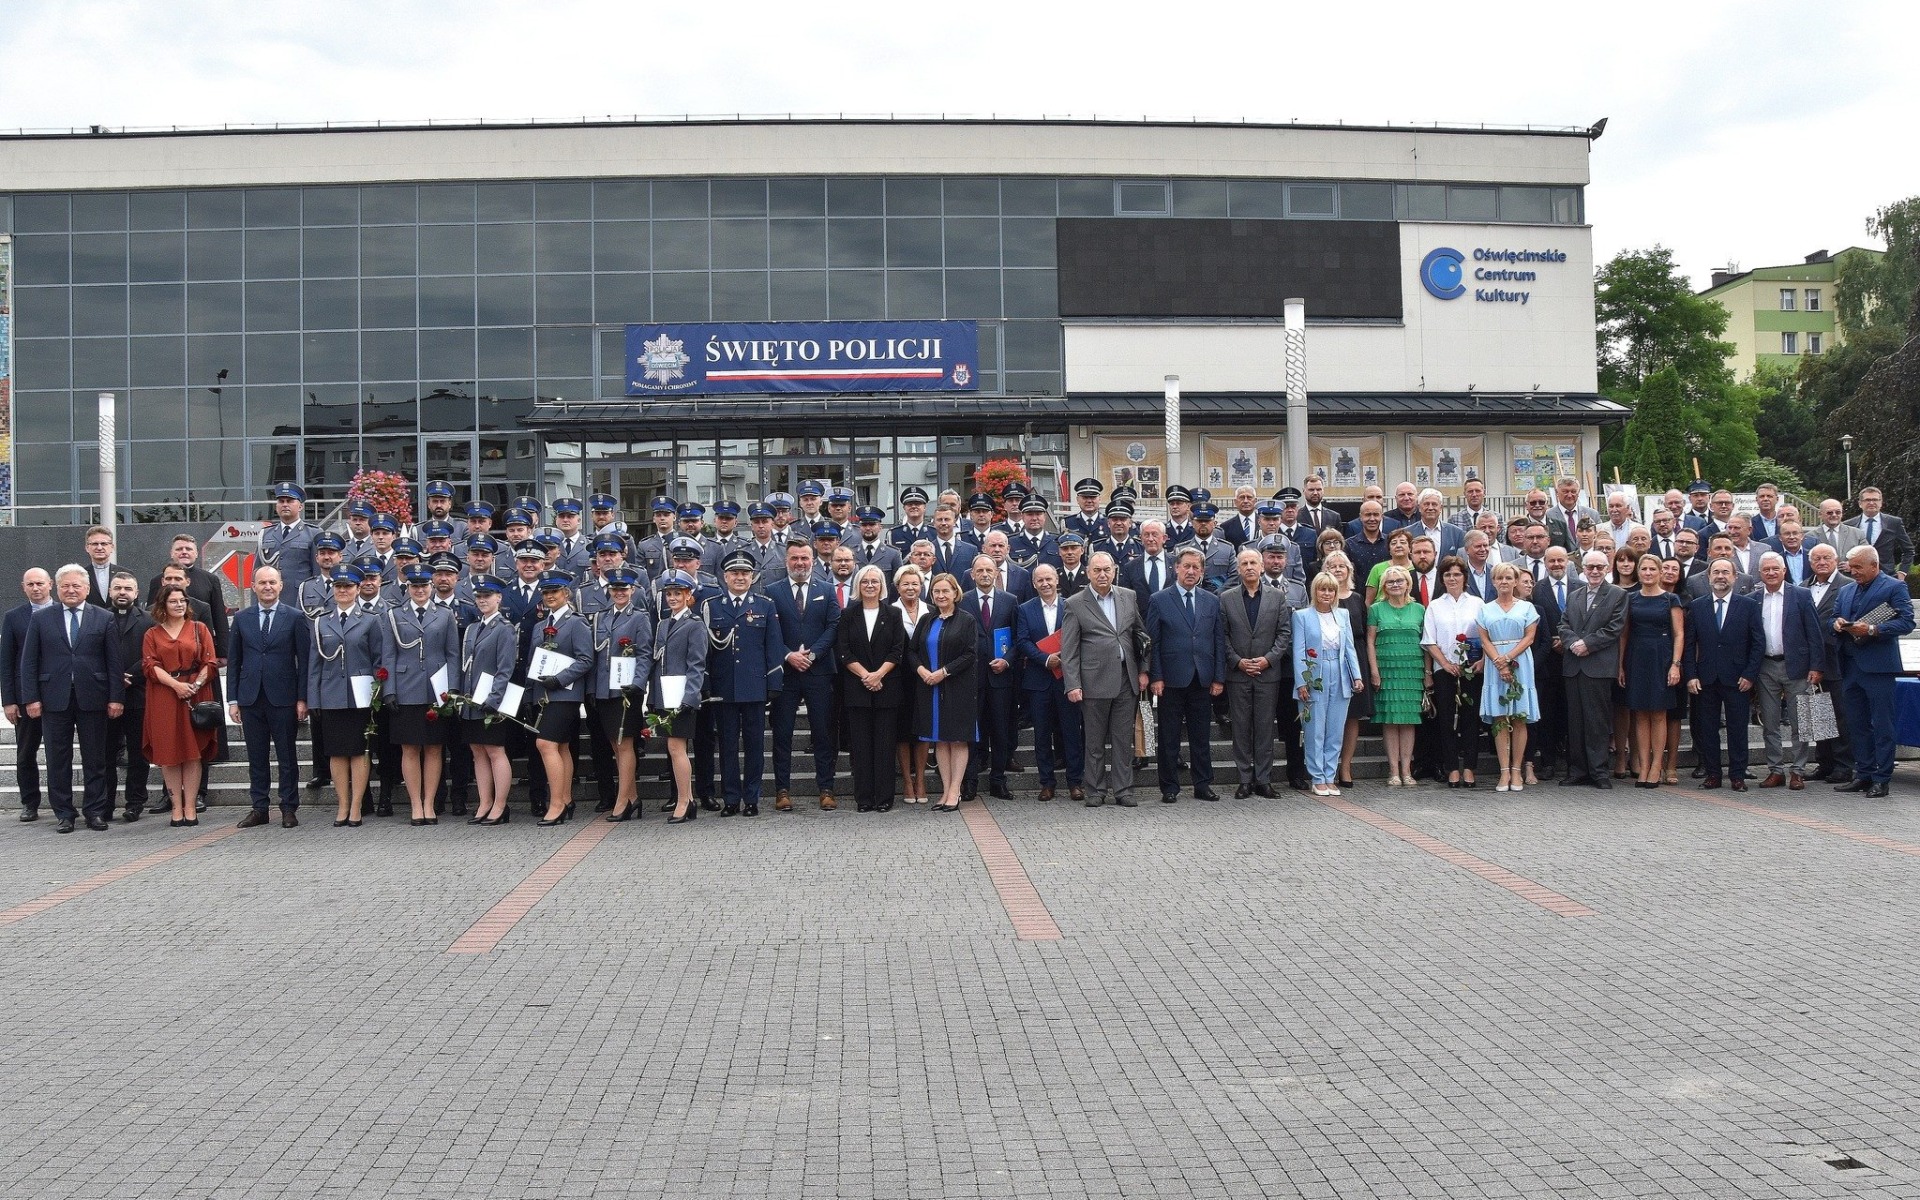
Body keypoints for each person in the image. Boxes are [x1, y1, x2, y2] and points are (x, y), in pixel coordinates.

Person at [21, 565, 126, 832]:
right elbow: (29, 661)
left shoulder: (103, 618)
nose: (71, 590)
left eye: (76, 586)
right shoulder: (42, 618)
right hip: (53, 699)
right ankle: (64, 813)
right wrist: (31, 698)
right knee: (57, 759)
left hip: (94, 698)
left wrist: (116, 697)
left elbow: (114, 661)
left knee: (96, 758)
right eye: (65, 586)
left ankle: (95, 811)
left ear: (87, 589)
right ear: (57, 588)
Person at [1061, 551, 1149, 808]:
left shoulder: (1128, 597)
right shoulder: (1075, 603)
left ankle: (1124, 790)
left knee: (1123, 739)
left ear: (1114, 571)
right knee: (1095, 740)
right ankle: (1095, 790)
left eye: (1106, 570)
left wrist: (1143, 670)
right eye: (1097, 570)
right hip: (1093, 681)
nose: (1102, 575)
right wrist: (1073, 684)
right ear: (1088, 572)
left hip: (1126, 678)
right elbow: (1069, 649)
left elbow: (1141, 636)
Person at [226, 566, 311, 828]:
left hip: (283, 697)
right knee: (256, 756)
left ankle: (288, 807)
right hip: (250, 697)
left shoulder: (295, 617)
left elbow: (304, 661)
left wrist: (302, 698)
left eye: (272, 582)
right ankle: (259, 807)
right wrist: (232, 700)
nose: (267, 587)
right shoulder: (242, 618)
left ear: (281, 585)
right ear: (253, 586)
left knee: (287, 756)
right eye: (262, 583)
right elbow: (234, 660)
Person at [705, 550, 784, 818]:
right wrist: (706, 684)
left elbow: (773, 646)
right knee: (727, 746)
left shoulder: (764, 605)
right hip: (723, 688)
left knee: (754, 746)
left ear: (753, 577)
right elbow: (705, 651)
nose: (740, 577)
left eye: (745, 573)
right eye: (735, 573)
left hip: (754, 687)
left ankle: (751, 798)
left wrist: (774, 680)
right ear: (725, 576)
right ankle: (730, 798)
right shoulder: (712, 606)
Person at [1831, 545, 1915, 797]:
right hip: (1850, 665)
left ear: (1874, 565)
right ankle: (1864, 773)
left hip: (1878, 668)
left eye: (1858, 567)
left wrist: (1872, 630)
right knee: (1857, 724)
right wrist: (1835, 623)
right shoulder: (1846, 589)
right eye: (1851, 566)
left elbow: (1907, 621)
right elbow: (1834, 616)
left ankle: (1882, 777)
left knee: (1882, 724)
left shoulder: (1893, 587)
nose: (1853, 571)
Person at [1146, 547, 1226, 803]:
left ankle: (1203, 784)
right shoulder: (1159, 600)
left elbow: (1218, 641)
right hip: (1170, 679)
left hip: (1202, 678)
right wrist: (1156, 675)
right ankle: (1169, 787)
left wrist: (1218, 678)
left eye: (1196, 567)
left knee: (1200, 736)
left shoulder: (1211, 600)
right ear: (1176, 568)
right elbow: (1153, 642)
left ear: (1202, 572)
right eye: (1186, 566)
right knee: (1168, 737)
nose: (1191, 571)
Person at [768, 541, 840, 812]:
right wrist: (788, 655)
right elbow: (769, 630)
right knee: (782, 733)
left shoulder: (827, 589)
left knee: (822, 732)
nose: (800, 563)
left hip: (819, 671)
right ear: (786, 560)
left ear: (813, 560)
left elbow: (834, 626)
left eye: (805, 558)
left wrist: (812, 655)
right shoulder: (772, 591)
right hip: (785, 673)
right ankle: (782, 791)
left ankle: (826, 789)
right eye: (795, 558)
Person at [308, 567, 383, 825]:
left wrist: (377, 695)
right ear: (332, 589)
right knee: (337, 753)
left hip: (360, 695)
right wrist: (313, 699)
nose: (343, 590)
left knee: (360, 751)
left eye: (348, 586)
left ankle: (357, 806)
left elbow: (378, 661)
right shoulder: (321, 621)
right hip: (331, 695)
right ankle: (342, 805)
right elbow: (314, 664)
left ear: (357, 589)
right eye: (338, 586)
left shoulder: (371, 620)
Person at [1684, 560, 1765, 790]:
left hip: (1738, 678)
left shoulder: (1748, 606)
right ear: (1709, 576)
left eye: (1725, 572)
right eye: (1716, 572)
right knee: (1708, 730)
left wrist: (1750, 674)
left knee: (1738, 729)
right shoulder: (1697, 606)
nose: (1721, 576)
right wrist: (1691, 675)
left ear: (1735, 577)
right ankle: (1713, 775)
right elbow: (1689, 644)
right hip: (1705, 678)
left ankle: (1737, 775)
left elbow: (1758, 643)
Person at [140, 584, 215, 828]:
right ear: (163, 605)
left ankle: (191, 806)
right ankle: (176, 807)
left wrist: (196, 684)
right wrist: (176, 686)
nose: (179, 604)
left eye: (182, 600)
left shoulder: (199, 629)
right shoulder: (152, 634)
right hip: (164, 695)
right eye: (173, 601)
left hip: (195, 692)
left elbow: (210, 661)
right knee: (169, 753)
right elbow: (150, 666)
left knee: (193, 753)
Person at [1748, 551, 1824, 790]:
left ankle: (1798, 771)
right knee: (1769, 722)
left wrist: (1816, 666)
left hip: (1797, 667)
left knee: (1799, 721)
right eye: (1766, 570)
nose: (1771, 573)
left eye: (1775, 569)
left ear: (1784, 571)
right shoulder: (1753, 598)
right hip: (1765, 666)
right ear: (1760, 573)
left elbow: (1814, 633)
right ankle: (1775, 770)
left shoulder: (1801, 595)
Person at [835, 563, 908, 813]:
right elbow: (844, 651)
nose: (869, 585)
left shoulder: (893, 614)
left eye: (874, 581)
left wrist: (879, 674)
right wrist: (866, 675)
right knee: (861, 747)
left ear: (882, 586)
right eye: (865, 581)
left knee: (885, 746)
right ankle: (864, 798)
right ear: (858, 586)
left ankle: (884, 797)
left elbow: (898, 650)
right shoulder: (848, 614)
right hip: (857, 688)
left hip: (887, 688)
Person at [1220, 548, 1291, 798]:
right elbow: (1223, 636)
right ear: (1238, 569)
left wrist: (1268, 660)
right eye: (1244, 563)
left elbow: (1284, 633)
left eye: (1253, 563)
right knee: (1240, 727)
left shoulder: (1277, 597)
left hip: (1267, 673)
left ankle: (1263, 779)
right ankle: (1244, 779)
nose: (1249, 567)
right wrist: (1238, 662)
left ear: (1262, 567)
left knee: (1264, 727)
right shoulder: (1226, 598)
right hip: (1238, 674)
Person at [531, 572, 595, 826]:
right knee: (561, 747)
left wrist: (560, 679)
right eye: (545, 593)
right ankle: (566, 799)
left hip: (565, 694)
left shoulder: (576, 622)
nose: (549, 597)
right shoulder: (539, 625)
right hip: (543, 694)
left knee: (545, 745)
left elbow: (586, 659)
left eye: (554, 592)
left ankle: (556, 803)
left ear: (566, 594)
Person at [1615, 553, 1685, 789]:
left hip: (1661, 656)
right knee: (1640, 714)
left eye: (1652, 569)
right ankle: (1643, 766)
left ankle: (1657, 765)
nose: (1647, 573)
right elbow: (1624, 633)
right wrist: (1621, 665)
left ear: (1659, 572)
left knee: (1658, 713)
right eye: (1643, 569)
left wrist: (1675, 664)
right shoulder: (1631, 599)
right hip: (1636, 656)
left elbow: (1679, 634)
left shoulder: (1670, 599)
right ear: (1638, 572)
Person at [912, 573, 979, 812]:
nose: (941, 595)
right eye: (936, 592)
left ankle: (955, 791)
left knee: (957, 738)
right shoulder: (926, 620)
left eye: (945, 591)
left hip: (957, 686)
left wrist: (944, 672)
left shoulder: (967, 619)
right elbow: (912, 651)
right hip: (929, 687)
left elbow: (970, 654)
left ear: (955, 593)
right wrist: (922, 670)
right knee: (940, 739)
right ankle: (945, 790)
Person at [1016, 564, 1083, 802]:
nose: (1045, 583)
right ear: (1034, 584)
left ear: (1057, 581)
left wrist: (1063, 658)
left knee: (1071, 732)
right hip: (1039, 680)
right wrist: (1045, 659)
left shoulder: (1072, 605)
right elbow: (1022, 641)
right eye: (1040, 580)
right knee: (1041, 735)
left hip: (1067, 679)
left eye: (1049, 579)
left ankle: (1075, 782)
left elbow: (1080, 637)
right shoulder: (1025, 609)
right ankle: (1047, 783)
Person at [1293, 572, 1364, 797]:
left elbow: (1350, 648)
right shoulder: (1302, 616)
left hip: (1340, 672)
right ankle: (1317, 776)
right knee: (1315, 728)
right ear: (1315, 591)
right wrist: (1302, 682)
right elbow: (1298, 651)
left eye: (1331, 590)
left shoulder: (1342, 615)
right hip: (1316, 673)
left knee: (1335, 728)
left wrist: (1357, 676)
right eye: (1322, 589)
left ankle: (1330, 774)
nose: (1326, 593)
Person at [458, 576, 520, 825]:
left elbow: (505, 669)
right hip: (473, 700)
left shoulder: (504, 628)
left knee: (495, 751)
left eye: (488, 596)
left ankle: (500, 805)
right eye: (479, 596)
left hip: (492, 701)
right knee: (477, 751)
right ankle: (484, 802)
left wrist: (494, 699)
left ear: (499, 598)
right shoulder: (473, 628)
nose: (483, 600)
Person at [1475, 563, 1540, 792]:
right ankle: (1503, 771)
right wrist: (1499, 662)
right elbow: (1484, 639)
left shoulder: (1527, 608)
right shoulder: (1485, 609)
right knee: (1501, 717)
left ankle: (1517, 770)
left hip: (1520, 661)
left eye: (1508, 578)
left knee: (1519, 716)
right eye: (1499, 578)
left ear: (1515, 581)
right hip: (1495, 663)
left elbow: (1529, 637)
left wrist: (1509, 658)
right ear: (1493, 582)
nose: (1504, 581)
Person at [652, 571, 711, 824]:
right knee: (672, 747)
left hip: (682, 695)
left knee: (677, 748)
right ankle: (685, 799)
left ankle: (685, 800)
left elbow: (697, 664)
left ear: (689, 596)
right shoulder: (663, 624)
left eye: (678, 593)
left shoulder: (695, 625)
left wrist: (691, 696)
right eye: (669, 593)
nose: (673, 598)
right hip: (664, 694)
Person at [960, 555, 1020, 801]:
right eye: (980, 570)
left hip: (1001, 677)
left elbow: (1018, 637)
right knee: (973, 732)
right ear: (972, 574)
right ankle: (970, 781)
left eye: (989, 570)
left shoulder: (1011, 601)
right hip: (971, 678)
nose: (985, 574)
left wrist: (1007, 660)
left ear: (996, 573)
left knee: (1000, 731)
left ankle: (998, 780)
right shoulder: (962, 601)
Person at [1421, 558, 1484, 787]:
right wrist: (1445, 664)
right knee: (1446, 720)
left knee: (1470, 718)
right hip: (1444, 668)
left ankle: (1469, 767)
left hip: (1472, 668)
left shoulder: (1477, 603)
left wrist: (1484, 661)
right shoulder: (1435, 606)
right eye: (1447, 575)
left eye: (1457, 574)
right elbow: (1429, 640)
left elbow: (1486, 636)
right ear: (1442, 579)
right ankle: (1451, 768)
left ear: (1464, 578)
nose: (1452, 579)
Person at [3, 568, 55, 823]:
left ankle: (61, 802)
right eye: (30, 584)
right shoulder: (14, 618)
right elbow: (7, 662)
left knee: (60, 752)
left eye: (40, 583)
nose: (36, 588)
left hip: (59, 695)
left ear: (50, 585)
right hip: (25, 698)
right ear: (23, 587)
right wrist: (9, 700)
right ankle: (29, 803)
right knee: (25, 753)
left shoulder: (65, 612)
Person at [1367, 564, 1427, 786]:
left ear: (1407, 584)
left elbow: (1427, 643)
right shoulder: (1375, 609)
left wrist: (1427, 672)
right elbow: (1370, 642)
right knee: (1390, 720)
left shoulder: (1420, 609)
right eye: (1390, 581)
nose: (1395, 584)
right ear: (1383, 585)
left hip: (1412, 670)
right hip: (1386, 669)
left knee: (1409, 721)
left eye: (1399, 580)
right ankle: (1393, 771)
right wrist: (1374, 671)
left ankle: (1407, 770)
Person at [104, 572, 156, 821]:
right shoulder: (98, 619)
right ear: (110, 592)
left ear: (136, 593)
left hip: (138, 695)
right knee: (106, 753)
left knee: (138, 753)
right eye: (117, 588)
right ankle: (105, 803)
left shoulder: (149, 620)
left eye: (128, 588)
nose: (122, 592)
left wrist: (131, 675)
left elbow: (152, 655)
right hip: (105, 697)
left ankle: (135, 802)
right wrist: (112, 678)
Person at [1804, 544, 1854, 785]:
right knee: (1818, 714)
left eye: (1826, 558)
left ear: (1836, 560)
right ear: (1810, 562)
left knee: (1839, 715)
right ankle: (1824, 763)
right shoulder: (1803, 586)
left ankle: (1844, 765)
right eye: (1816, 558)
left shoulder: (1848, 585)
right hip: (1810, 661)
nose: (1821, 562)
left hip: (1836, 659)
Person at [1321, 550, 1370, 788]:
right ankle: (1324, 766)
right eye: (1333, 566)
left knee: (1351, 716)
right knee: (1329, 715)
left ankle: (1346, 766)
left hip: (1355, 658)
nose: (1338, 569)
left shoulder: (1357, 598)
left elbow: (1364, 632)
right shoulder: (1322, 597)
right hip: (1328, 660)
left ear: (1349, 571)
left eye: (1342, 566)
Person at [890, 566, 932, 804]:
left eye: (915, 584)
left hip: (925, 678)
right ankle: (907, 780)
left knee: (923, 731)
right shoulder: (890, 611)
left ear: (921, 586)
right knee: (903, 731)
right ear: (897, 587)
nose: (910, 588)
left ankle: (921, 779)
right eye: (905, 584)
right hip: (898, 679)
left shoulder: (931, 611)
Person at [1846, 487, 1913, 574]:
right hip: (1856, 577)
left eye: (1875, 500)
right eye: (1867, 500)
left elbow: (1909, 550)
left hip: (1886, 576)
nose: (1871, 503)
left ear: (1881, 503)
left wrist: (1902, 572)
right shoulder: (1848, 525)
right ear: (1860, 503)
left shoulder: (1894, 523)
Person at [1362, 528, 1415, 606]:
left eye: (1403, 542)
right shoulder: (1377, 569)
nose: (1398, 546)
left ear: (1410, 548)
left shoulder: (1416, 568)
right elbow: (1369, 601)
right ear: (1389, 549)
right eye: (1393, 543)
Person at [80, 526, 121, 608]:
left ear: (112, 547)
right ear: (87, 548)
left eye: (104, 544)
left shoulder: (124, 573)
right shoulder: (80, 574)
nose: (99, 548)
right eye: (95, 544)